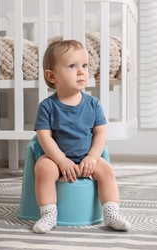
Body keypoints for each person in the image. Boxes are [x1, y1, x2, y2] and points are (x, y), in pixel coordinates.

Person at [33, 39, 131, 233]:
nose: (81, 71)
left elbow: (101, 133)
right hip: (56, 158)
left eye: (84, 65)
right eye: (72, 66)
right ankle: (49, 214)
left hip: (87, 157)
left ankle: (111, 213)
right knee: (43, 168)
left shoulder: (93, 104)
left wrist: (93, 157)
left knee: (107, 171)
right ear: (52, 76)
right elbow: (44, 137)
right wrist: (60, 160)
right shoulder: (47, 106)